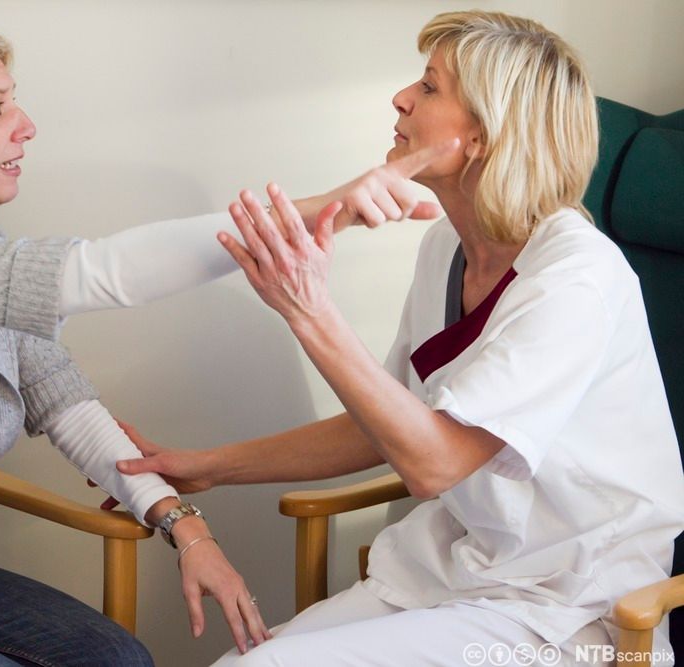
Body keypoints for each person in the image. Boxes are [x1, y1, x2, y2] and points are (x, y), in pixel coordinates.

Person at [0, 15, 445, 667]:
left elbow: (63, 402)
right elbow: (106, 272)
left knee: (119, 657)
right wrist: (327, 206)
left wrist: (187, 529)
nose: (26, 124)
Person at [117, 10, 684, 666]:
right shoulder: (447, 245)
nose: (402, 98)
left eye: (431, 87)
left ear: (483, 134)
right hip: (455, 574)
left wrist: (309, 309)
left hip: (570, 613)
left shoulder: (577, 278)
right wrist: (206, 465)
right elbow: (379, 422)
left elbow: (433, 462)